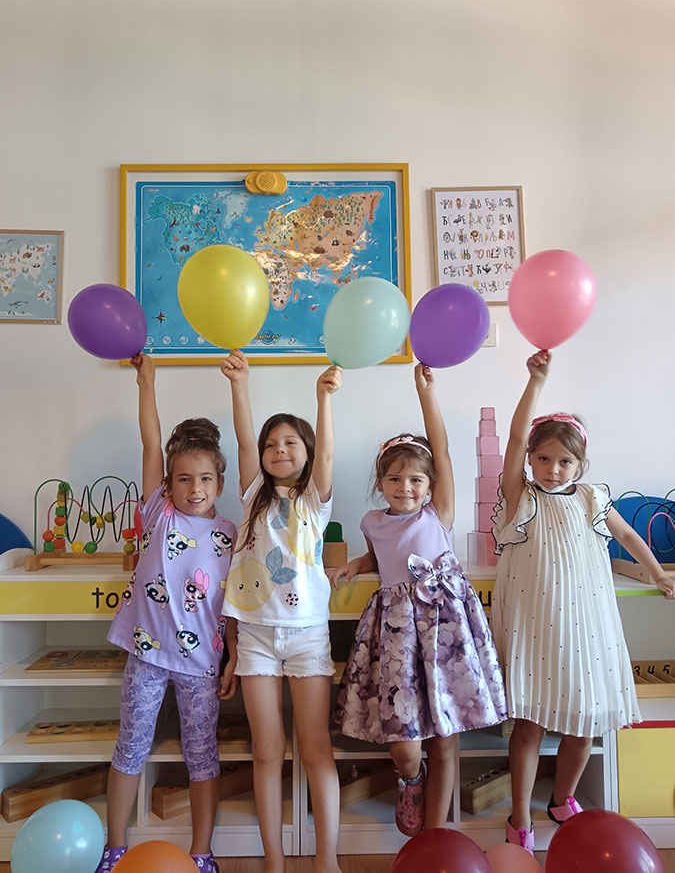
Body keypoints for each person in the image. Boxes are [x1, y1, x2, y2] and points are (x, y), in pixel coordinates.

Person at [492, 349, 675, 855]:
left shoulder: (593, 498)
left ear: (581, 464)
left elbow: (630, 537)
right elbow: (514, 437)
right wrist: (536, 381)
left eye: (564, 461)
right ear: (530, 460)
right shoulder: (521, 498)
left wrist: (659, 574)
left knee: (584, 722)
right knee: (528, 726)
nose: (553, 469)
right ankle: (519, 816)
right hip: (535, 630)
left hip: (585, 632)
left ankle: (562, 799)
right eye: (543, 459)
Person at [332, 363, 507, 837]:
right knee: (405, 741)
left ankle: (434, 834)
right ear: (380, 483)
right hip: (397, 635)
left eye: (415, 480)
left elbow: (442, 452)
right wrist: (355, 565)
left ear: (430, 486)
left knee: (445, 736)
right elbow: (382, 558)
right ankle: (411, 779)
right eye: (394, 479)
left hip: (446, 629)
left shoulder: (438, 514)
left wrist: (426, 394)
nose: (405, 488)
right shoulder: (372, 522)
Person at [96, 353, 238, 873]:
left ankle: (202, 852)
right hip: (148, 655)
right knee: (130, 747)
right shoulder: (159, 516)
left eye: (204, 479)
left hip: (202, 665)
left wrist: (233, 658)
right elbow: (151, 444)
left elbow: (234, 604)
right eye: (183, 479)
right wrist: (147, 382)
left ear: (219, 484)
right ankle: (114, 847)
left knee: (202, 755)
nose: (194, 488)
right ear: (167, 485)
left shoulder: (230, 535)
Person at [220, 349, 342, 873]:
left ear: (307, 453)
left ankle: (326, 860)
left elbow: (328, 453)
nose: (278, 450)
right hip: (256, 637)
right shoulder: (253, 497)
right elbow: (244, 437)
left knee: (315, 750)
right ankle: (274, 859)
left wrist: (323, 398)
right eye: (272, 444)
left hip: (308, 634)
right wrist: (239, 385)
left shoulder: (315, 499)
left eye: (290, 443)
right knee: (266, 751)